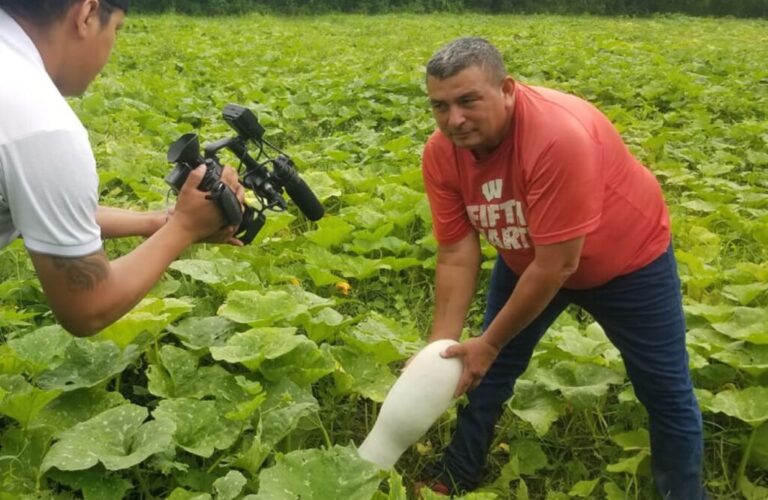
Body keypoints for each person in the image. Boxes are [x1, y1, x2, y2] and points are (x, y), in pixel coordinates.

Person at [418, 37, 706, 499]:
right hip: (528, 258)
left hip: (629, 263)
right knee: (483, 373)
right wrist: (437, 354)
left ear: (507, 89)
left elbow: (558, 265)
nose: (455, 119)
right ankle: (455, 474)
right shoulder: (441, 153)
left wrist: (490, 343)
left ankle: (685, 494)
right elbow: (456, 254)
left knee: (665, 390)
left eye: (469, 100)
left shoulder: (556, 136)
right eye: (440, 106)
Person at [0, 0, 244, 337]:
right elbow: (88, 308)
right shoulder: (40, 123)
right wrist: (184, 229)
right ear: (87, 13)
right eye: (116, 28)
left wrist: (159, 222)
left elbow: (40, 205)